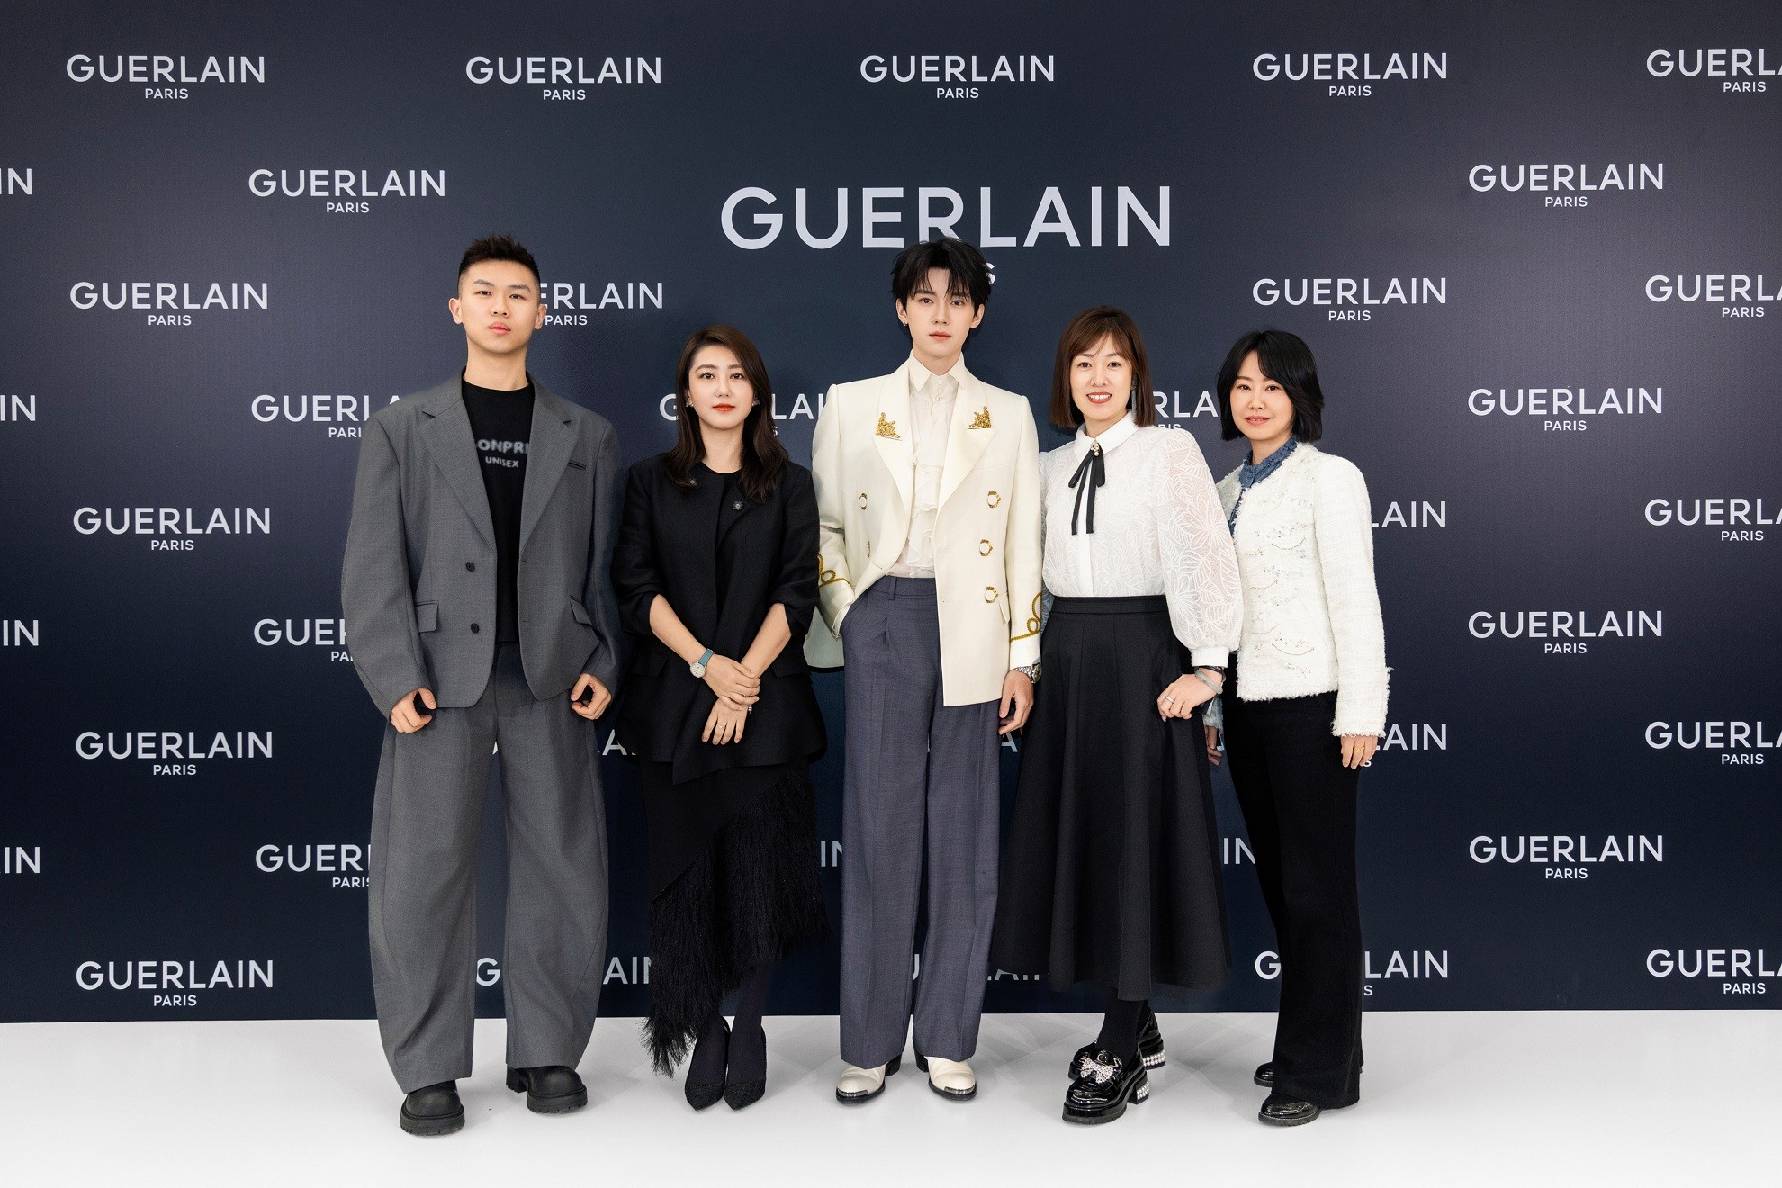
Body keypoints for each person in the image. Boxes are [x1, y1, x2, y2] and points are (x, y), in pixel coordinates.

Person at [340, 234, 620, 1136]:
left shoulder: (588, 434)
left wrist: (605, 662)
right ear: (458, 309)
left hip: (551, 680)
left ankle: (548, 1051)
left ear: (543, 312)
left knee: (563, 868)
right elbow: (372, 568)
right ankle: (426, 1068)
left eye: (519, 294)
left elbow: (608, 569)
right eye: (486, 292)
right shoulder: (401, 427)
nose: (503, 307)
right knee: (420, 874)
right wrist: (392, 674)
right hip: (435, 684)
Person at [993, 306, 1243, 1124]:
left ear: (1136, 374)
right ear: (1065, 379)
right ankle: (1139, 1020)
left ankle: (1119, 1041)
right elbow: (1025, 574)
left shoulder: (1169, 451)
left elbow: (1205, 554)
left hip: (1146, 655)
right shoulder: (1047, 464)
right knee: (1092, 837)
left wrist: (1208, 668)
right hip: (1067, 657)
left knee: (1136, 837)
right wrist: (1025, 665)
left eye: (1113, 363)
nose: (1098, 379)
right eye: (1083, 364)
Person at [808, 236, 1043, 1104]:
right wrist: (849, 612)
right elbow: (824, 526)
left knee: (965, 835)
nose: (941, 314)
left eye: (957, 299)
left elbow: (1023, 542)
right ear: (901, 308)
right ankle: (870, 1043)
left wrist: (1023, 657)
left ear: (977, 313)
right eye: (926, 298)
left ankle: (947, 1038)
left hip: (976, 624)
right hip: (887, 615)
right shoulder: (850, 404)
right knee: (878, 833)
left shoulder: (1010, 414)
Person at [610, 324, 828, 1111]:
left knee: (760, 875)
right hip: (674, 708)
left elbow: (796, 593)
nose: (724, 388)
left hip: (767, 710)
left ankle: (753, 1026)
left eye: (737, 374)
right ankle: (704, 1025)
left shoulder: (791, 484)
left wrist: (743, 683)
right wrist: (708, 667)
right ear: (686, 393)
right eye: (708, 374)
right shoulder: (648, 481)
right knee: (689, 877)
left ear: (758, 392)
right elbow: (635, 588)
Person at [1203, 328, 1387, 1127]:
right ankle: (1321, 1046)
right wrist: (1214, 708)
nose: (1256, 400)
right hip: (1247, 708)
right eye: (1243, 385)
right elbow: (1216, 619)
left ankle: (1316, 1071)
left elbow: (1355, 598)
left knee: (1318, 889)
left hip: (1314, 708)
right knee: (1284, 885)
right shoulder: (1222, 490)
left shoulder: (1329, 479)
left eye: (1272, 386)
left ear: (1299, 396)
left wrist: (1361, 711)